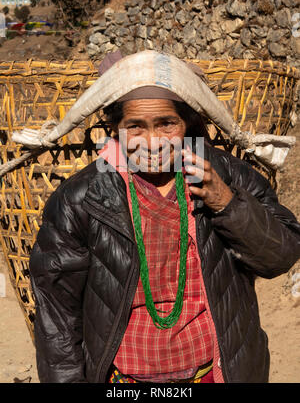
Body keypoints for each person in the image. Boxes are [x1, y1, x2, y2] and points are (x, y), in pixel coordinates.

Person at [29, 50, 300, 384]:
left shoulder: (227, 176)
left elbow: (281, 256)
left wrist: (228, 204)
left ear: (187, 124)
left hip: (215, 375)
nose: (152, 142)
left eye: (166, 124)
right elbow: (57, 313)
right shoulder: (81, 198)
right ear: (114, 129)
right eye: (135, 127)